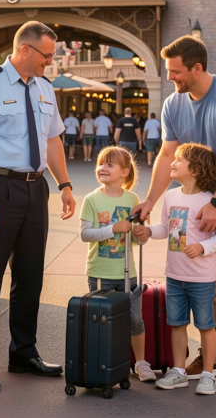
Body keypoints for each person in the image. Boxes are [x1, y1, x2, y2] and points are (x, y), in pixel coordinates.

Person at [132, 36, 216, 390]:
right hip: (204, 204)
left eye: (176, 71)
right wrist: (150, 202)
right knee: (207, 282)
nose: (170, 78)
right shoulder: (173, 104)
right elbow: (167, 156)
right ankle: (214, 360)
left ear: (197, 68)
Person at [0, 21, 76, 390]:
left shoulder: (45, 88)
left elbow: (53, 141)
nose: (50, 63)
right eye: (46, 56)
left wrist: (66, 185)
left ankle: (24, 353)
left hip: (34, 189)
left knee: (30, 277)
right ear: (25, 50)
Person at [149, 143, 216, 396]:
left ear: (195, 170)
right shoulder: (171, 196)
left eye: (179, 159)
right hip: (174, 275)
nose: (172, 163)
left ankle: (208, 375)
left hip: (201, 278)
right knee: (177, 324)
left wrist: (202, 248)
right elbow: (165, 228)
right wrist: (148, 231)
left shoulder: (209, 202)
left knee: (206, 325)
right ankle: (179, 372)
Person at [79, 146, 154, 382]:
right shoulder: (91, 199)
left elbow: (136, 242)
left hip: (127, 274)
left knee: (134, 318)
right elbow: (85, 234)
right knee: (100, 320)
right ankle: (102, 361)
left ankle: (140, 363)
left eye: (109, 164)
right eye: (100, 163)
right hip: (100, 272)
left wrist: (142, 235)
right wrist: (112, 228)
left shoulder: (133, 199)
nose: (102, 168)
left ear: (124, 172)